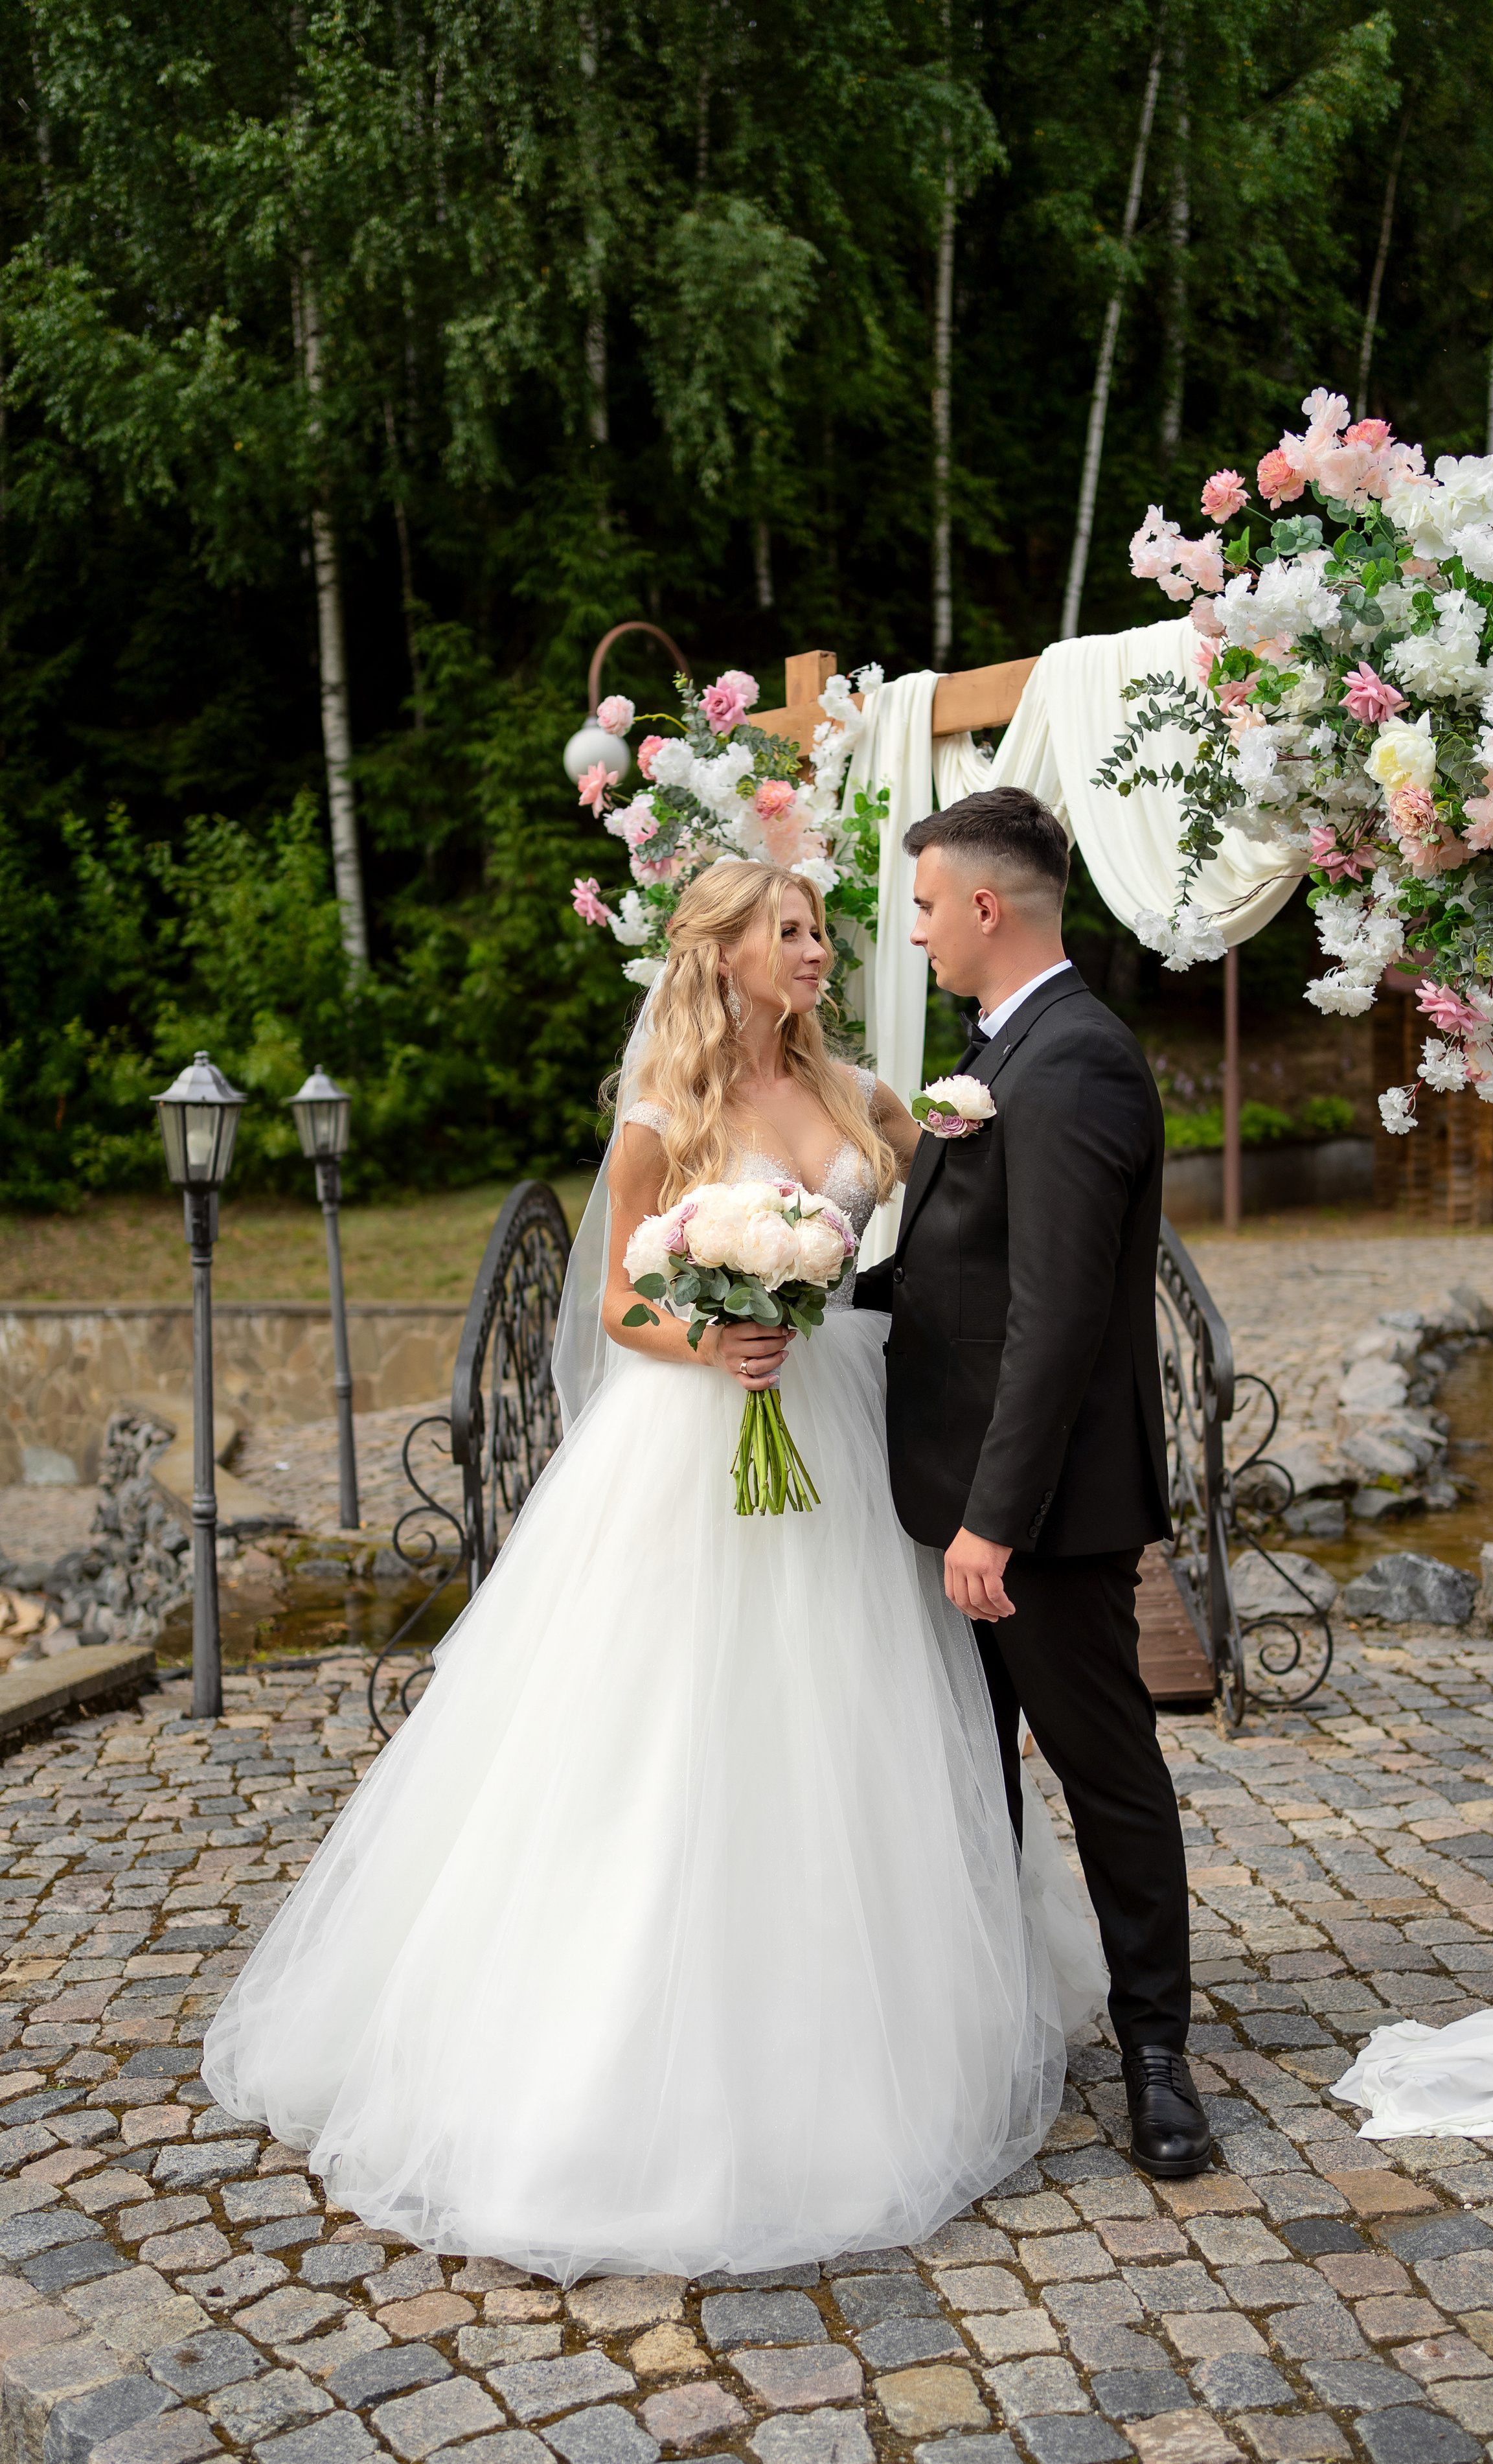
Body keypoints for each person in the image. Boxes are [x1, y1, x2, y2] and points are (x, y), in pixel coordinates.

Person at [202, 855, 1108, 2281]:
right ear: (726, 955)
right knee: (673, 1732)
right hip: (700, 1443)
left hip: (848, 1432)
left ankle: (868, 2014)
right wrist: (714, 1337)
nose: (817, 952)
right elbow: (620, 1299)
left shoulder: (865, 1095)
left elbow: (937, 1226)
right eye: (791, 934)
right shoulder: (663, 1115)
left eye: (821, 931)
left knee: (851, 1724)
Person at [856, 787, 1213, 2178]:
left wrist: (990, 1523)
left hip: (1038, 1518)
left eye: (928, 905)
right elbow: (960, 1273)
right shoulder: (1000, 1051)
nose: (918, 929)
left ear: (987, 908)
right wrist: (815, 1289)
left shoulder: (1073, 1066)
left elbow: (1056, 1315)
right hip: (953, 1494)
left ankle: (1156, 2054)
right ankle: (993, 2022)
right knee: (965, 1776)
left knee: (1102, 1770)